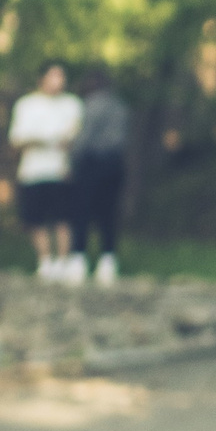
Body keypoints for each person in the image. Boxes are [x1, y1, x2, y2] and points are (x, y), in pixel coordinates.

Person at [9, 63, 83, 282]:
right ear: (41, 79)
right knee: (35, 219)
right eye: (53, 76)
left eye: (61, 76)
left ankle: (62, 262)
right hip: (33, 171)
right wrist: (48, 139)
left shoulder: (72, 104)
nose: (58, 81)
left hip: (61, 170)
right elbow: (19, 139)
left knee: (63, 218)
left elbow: (72, 138)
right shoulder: (26, 105)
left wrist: (40, 139)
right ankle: (45, 262)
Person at [73, 70, 131, 284]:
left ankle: (79, 258)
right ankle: (108, 260)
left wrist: (73, 160)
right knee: (109, 212)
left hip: (91, 163)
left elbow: (84, 138)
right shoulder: (121, 107)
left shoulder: (91, 106)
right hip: (115, 164)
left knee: (83, 211)